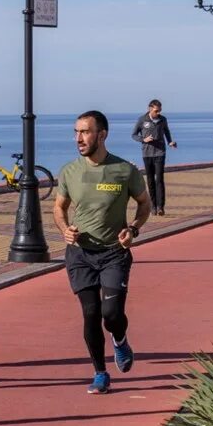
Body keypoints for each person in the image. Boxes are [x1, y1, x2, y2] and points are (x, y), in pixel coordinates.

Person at [54, 110, 151, 394]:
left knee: (111, 314)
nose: (78, 138)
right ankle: (100, 372)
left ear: (102, 135)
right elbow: (59, 208)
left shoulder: (124, 170)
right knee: (90, 313)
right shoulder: (70, 171)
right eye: (76, 132)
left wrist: (133, 229)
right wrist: (64, 230)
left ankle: (119, 339)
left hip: (113, 253)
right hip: (80, 254)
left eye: (85, 132)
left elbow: (144, 204)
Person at [131, 99, 177, 216]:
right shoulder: (142, 120)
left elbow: (166, 131)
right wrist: (143, 140)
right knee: (150, 180)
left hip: (160, 153)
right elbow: (134, 135)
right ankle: (153, 206)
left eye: (160, 110)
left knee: (159, 180)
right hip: (147, 154)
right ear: (150, 109)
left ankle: (161, 207)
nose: (158, 113)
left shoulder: (163, 120)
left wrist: (170, 142)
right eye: (156, 111)